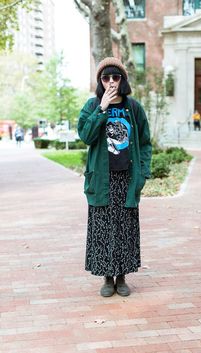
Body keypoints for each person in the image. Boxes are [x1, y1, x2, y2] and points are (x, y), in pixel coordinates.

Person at [78, 57, 152, 297]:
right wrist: (102, 108)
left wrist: (142, 173)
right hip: (101, 179)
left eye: (116, 77)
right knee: (102, 228)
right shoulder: (92, 105)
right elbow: (86, 136)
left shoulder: (134, 107)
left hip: (126, 180)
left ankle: (122, 277)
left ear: (123, 80)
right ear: (100, 81)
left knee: (124, 229)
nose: (111, 82)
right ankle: (107, 278)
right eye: (106, 77)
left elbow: (145, 143)